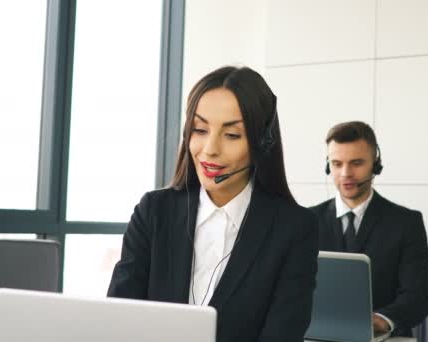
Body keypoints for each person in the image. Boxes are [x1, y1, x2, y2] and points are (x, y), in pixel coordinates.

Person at [108, 66, 319, 342]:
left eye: (232, 135)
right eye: (200, 129)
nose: (209, 149)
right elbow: (119, 320)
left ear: (262, 143)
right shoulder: (153, 212)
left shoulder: (293, 229)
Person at [310, 121, 428, 337]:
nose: (346, 173)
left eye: (356, 163)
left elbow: (418, 298)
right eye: (337, 164)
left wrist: (380, 320)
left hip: (384, 337)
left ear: (375, 165)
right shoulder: (306, 222)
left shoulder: (406, 223)